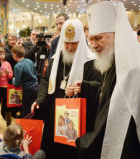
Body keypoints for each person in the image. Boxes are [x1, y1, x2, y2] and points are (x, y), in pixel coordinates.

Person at [75, 1, 140, 159]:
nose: (93, 45)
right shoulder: (112, 60)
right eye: (90, 39)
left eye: (98, 38)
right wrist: (87, 87)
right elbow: (106, 94)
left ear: (117, 34)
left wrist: (81, 143)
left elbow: (113, 118)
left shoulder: (130, 69)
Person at [31, 19, 101, 159]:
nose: (69, 47)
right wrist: (40, 100)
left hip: (76, 119)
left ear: (81, 41)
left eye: (73, 43)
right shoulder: (56, 59)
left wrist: (82, 87)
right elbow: (46, 80)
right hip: (54, 115)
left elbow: (99, 87)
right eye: (66, 43)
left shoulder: (91, 61)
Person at [12, 45, 39, 118]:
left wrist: (13, 80)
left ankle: (26, 127)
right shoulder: (30, 61)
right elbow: (35, 73)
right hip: (36, 87)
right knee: (35, 108)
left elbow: (17, 84)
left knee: (26, 111)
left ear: (15, 55)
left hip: (28, 90)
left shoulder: (17, 66)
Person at [0, 47, 13, 127]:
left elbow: (11, 76)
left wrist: (8, 74)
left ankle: (9, 125)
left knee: (7, 106)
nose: (2, 56)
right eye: (0, 54)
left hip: (5, 87)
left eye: (3, 54)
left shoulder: (7, 64)